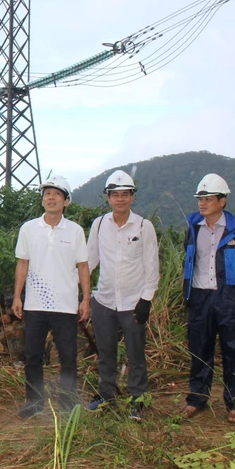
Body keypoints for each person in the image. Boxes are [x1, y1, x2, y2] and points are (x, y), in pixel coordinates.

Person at [12, 175, 92, 418]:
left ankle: (68, 403)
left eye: (57, 194)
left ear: (66, 201)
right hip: (35, 304)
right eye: (47, 193)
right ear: (42, 199)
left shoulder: (75, 231)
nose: (51, 198)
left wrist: (85, 299)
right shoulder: (28, 229)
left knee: (68, 357)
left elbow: (83, 266)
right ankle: (34, 402)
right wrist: (17, 296)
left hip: (65, 305)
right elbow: (22, 263)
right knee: (33, 355)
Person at [181, 174, 235, 424]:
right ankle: (197, 398)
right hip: (199, 297)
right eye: (200, 199)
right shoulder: (193, 229)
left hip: (230, 300)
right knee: (199, 349)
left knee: (233, 350)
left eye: (208, 199)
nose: (202, 203)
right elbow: (189, 259)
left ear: (222, 201)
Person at [86, 170, 159, 421]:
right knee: (105, 352)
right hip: (104, 301)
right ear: (107, 198)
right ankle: (106, 396)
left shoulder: (143, 226)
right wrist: (77, 288)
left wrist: (146, 300)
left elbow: (152, 266)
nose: (120, 199)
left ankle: (137, 400)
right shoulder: (98, 225)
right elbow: (90, 261)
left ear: (132, 197)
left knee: (136, 354)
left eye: (125, 194)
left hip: (133, 302)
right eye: (115, 195)